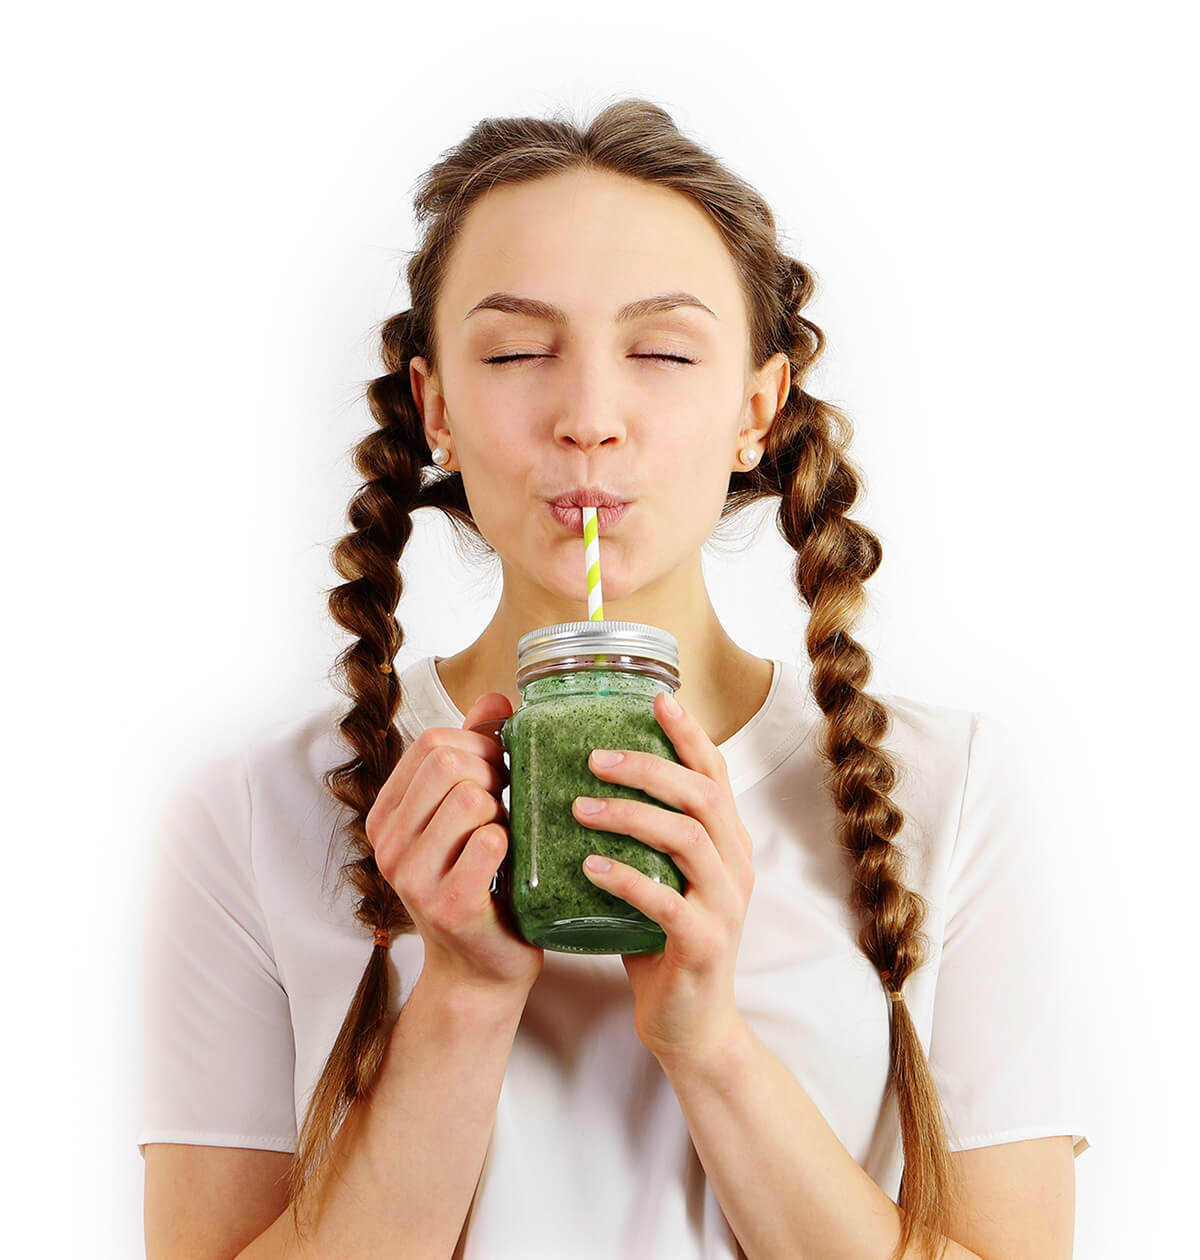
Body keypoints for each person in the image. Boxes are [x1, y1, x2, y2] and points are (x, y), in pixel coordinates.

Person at [138, 98, 1092, 1260]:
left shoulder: (949, 790)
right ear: (435, 405)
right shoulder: (257, 809)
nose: (589, 418)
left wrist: (707, 1040)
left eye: (662, 351)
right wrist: (464, 1001)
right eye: (517, 352)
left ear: (757, 411)